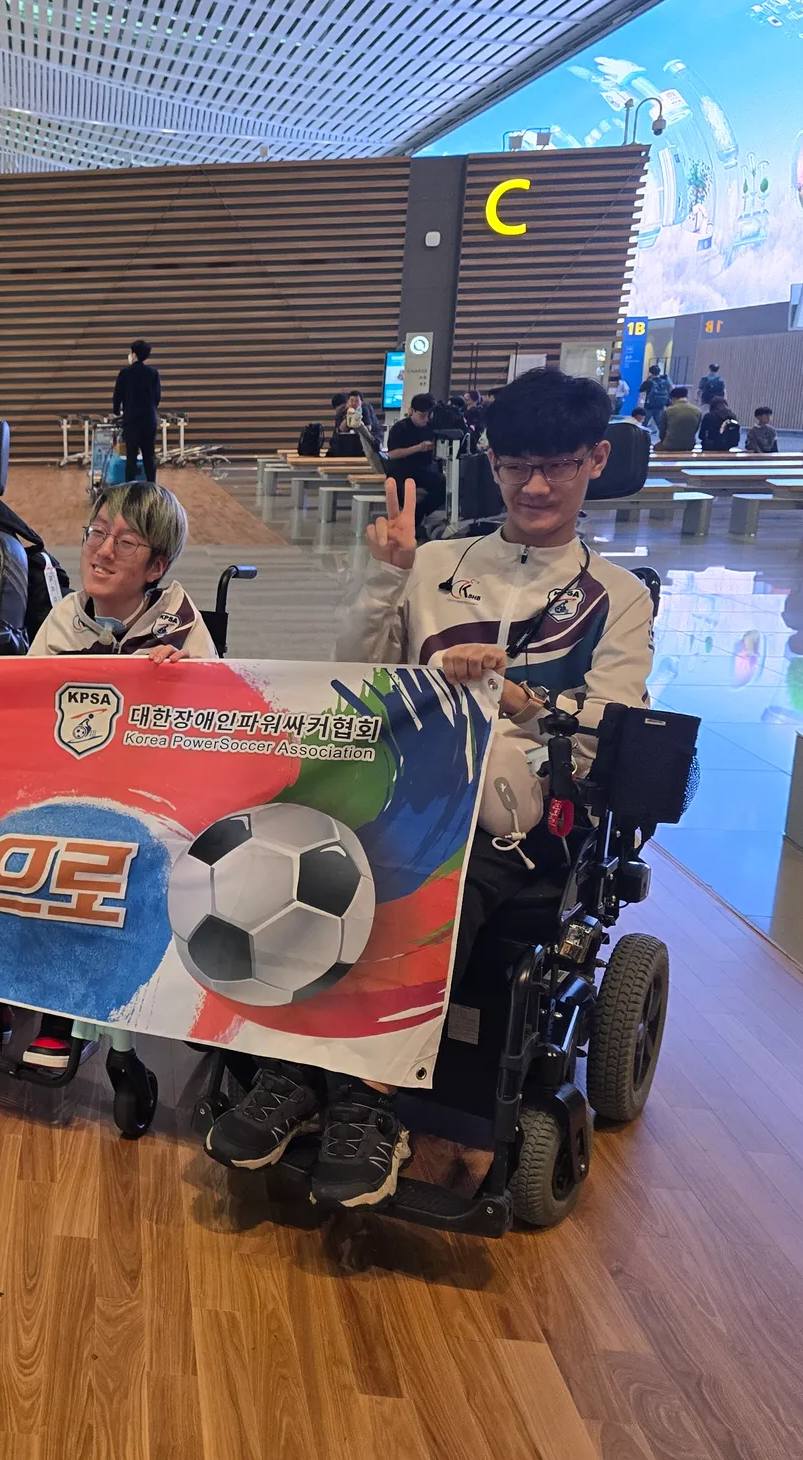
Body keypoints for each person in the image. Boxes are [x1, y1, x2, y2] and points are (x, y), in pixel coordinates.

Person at [205, 367, 654, 1208]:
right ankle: (293, 1071)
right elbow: (352, 675)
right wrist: (384, 577)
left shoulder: (617, 598)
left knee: (426, 876)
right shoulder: (434, 562)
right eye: (516, 464)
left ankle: (365, 1100)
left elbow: (610, 728)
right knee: (277, 841)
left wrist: (517, 698)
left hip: (517, 810)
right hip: (396, 777)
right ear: (492, 463)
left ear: (596, 460)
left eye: (557, 464)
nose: (535, 485)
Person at [0, 481, 217, 1065]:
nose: (103, 551)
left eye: (126, 542)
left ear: (157, 566)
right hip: (61, 787)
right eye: (98, 533)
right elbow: (32, 715)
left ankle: (62, 1013)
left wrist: (185, 683)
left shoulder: (183, 631)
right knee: (1, 838)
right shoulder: (65, 618)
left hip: (143, 805)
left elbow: (210, 741)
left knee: (82, 856)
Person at [384, 393, 445, 528]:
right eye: (422, 416)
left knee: (443, 486)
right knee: (399, 490)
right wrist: (418, 448)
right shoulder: (400, 428)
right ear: (412, 411)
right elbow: (392, 454)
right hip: (401, 469)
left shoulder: (432, 427)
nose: (426, 420)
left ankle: (419, 513)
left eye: (429, 416)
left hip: (423, 469)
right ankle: (412, 519)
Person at [111, 339, 162, 481]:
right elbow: (157, 398)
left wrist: (117, 411)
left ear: (133, 354)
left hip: (132, 421)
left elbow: (117, 396)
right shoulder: (153, 373)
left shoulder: (125, 373)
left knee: (131, 457)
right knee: (149, 457)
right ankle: (151, 487)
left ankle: (130, 488)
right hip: (149, 421)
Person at [657, 386, 699, 452]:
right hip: (689, 445)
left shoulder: (668, 411)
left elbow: (662, 432)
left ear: (673, 398)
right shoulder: (697, 411)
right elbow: (696, 429)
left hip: (670, 445)